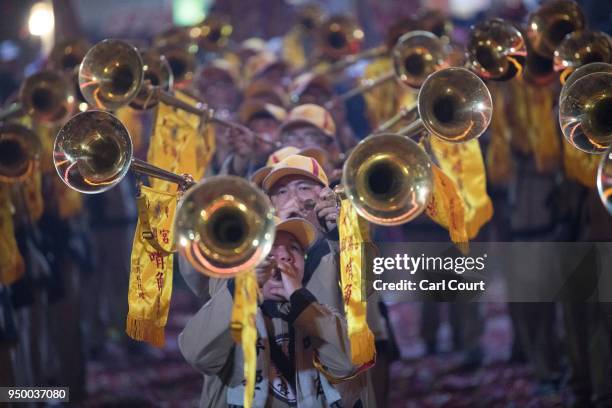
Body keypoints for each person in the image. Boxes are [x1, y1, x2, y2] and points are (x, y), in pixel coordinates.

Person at [179, 217, 374, 407]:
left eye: (294, 248)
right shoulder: (227, 306)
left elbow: (348, 364)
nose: (284, 256)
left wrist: (300, 300)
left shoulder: (321, 310)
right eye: (269, 248)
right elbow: (197, 355)